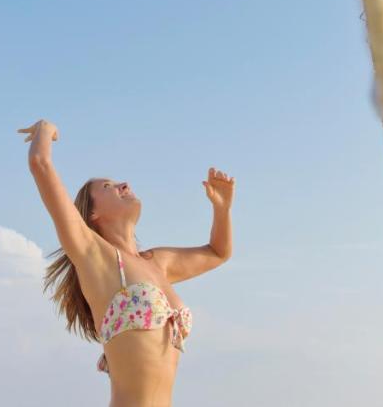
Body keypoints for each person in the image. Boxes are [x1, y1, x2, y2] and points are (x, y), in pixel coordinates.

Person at [18, 118, 234, 407]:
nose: (124, 185)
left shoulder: (159, 263)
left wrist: (222, 209)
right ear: (92, 214)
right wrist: (45, 129)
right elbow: (40, 163)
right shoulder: (95, 255)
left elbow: (218, 252)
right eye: (108, 186)